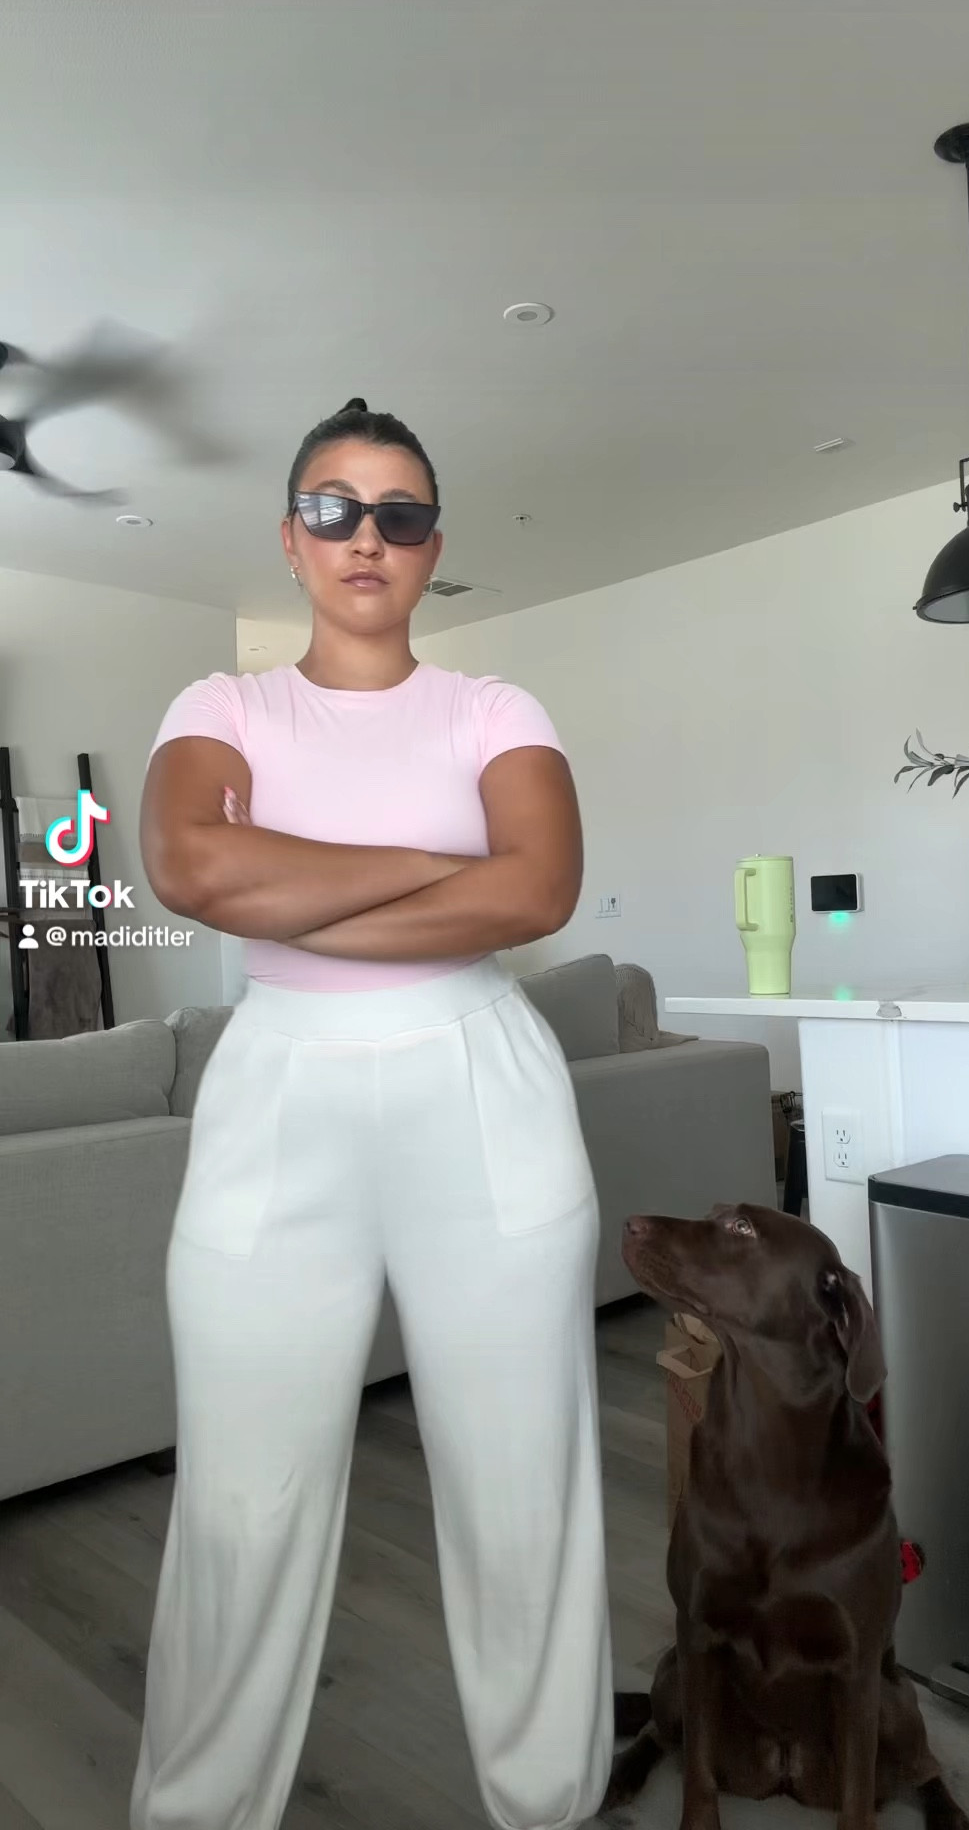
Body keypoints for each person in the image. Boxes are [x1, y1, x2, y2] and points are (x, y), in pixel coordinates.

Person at [132, 398, 613, 1830]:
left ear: (432, 549)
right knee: (240, 1501)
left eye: (400, 515)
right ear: (290, 539)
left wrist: (293, 882)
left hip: (483, 1085)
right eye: (333, 509)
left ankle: (548, 1805)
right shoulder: (220, 711)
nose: (366, 537)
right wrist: (440, 866)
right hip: (278, 1091)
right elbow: (190, 870)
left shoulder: (495, 711)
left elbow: (538, 891)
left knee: (524, 1489)